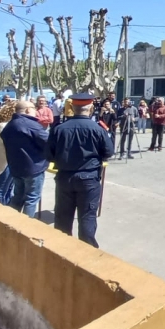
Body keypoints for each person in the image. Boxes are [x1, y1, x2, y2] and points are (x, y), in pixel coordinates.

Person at [47, 93, 114, 247]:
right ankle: (87, 252)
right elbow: (109, 152)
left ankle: (61, 251)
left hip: (65, 178)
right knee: (87, 217)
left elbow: (48, 155)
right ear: (90, 108)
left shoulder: (59, 129)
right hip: (89, 178)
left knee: (63, 218)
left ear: (72, 107)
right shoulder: (97, 128)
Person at [0, 100, 49, 218]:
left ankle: (11, 223)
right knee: (31, 198)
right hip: (33, 168)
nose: (36, 110)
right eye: (34, 108)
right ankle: (27, 227)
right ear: (28, 110)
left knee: (18, 196)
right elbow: (48, 141)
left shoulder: (10, 124)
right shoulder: (30, 124)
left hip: (16, 167)